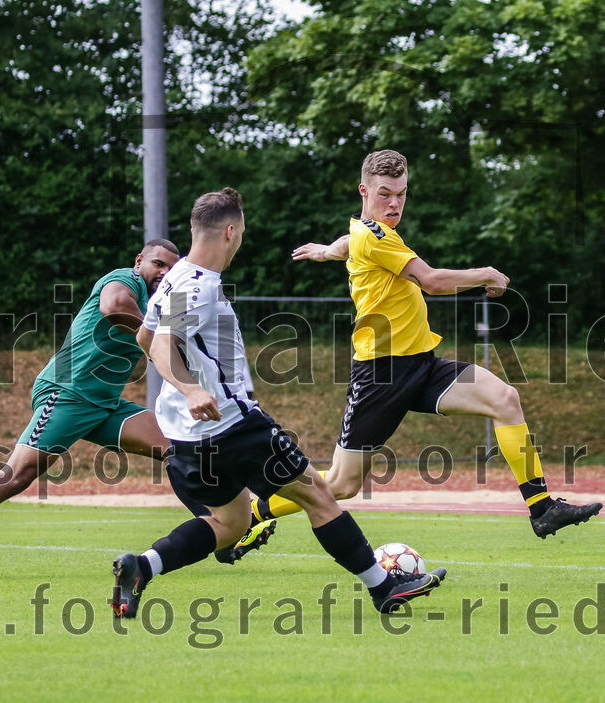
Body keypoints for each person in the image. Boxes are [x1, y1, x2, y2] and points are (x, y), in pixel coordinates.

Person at [111, 187, 445, 618]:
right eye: (242, 233)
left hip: (185, 438)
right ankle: (384, 587)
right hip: (232, 427)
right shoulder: (200, 287)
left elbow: (144, 336)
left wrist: (185, 387)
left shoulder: (173, 279)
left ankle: (143, 566)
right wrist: (193, 388)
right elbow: (159, 345)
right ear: (231, 232)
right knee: (319, 497)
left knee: (229, 523)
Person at [249, 149, 603, 539]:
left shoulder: (363, 232)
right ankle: (255, 512)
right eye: (385, 193)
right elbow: (431, 282)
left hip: (422, 364)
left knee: (505, 399)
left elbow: (347, 244)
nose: (395, 203)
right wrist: (487, 273)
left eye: (401, 193)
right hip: (380, 375)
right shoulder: (375, 236)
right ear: (364, 190)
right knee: (341, 485)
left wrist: (324, 252)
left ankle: (542, 508)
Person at [0, 239, 273, 580]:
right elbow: (113, 307)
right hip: (67, 393)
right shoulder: (123, 280)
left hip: (105, 404)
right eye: (157, 263)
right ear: (139, 260)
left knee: (175, 447)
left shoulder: (161, 303)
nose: (162, 272)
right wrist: (157, 335)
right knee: (18, 475)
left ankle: (224, 532)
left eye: (170, 269)